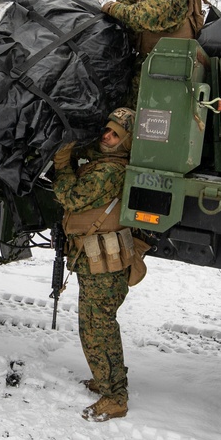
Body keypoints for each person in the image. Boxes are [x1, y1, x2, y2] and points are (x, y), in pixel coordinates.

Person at [52, 107, 138, 422]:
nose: (106, 137)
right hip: (97, 260)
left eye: (115, 134)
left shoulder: (111, 171)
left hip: (104, 266)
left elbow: (71, 196)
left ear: (126, 141)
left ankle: (115, 396)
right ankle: (106, 380)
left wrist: (62, 164)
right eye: (106, 130)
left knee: (98, 328)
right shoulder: (107, 161)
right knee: (94, 326)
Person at [101, 0, 208, 105]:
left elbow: (138, 17)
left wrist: (110, 7)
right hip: (147, 68)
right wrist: (121, 6)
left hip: (164, 78)